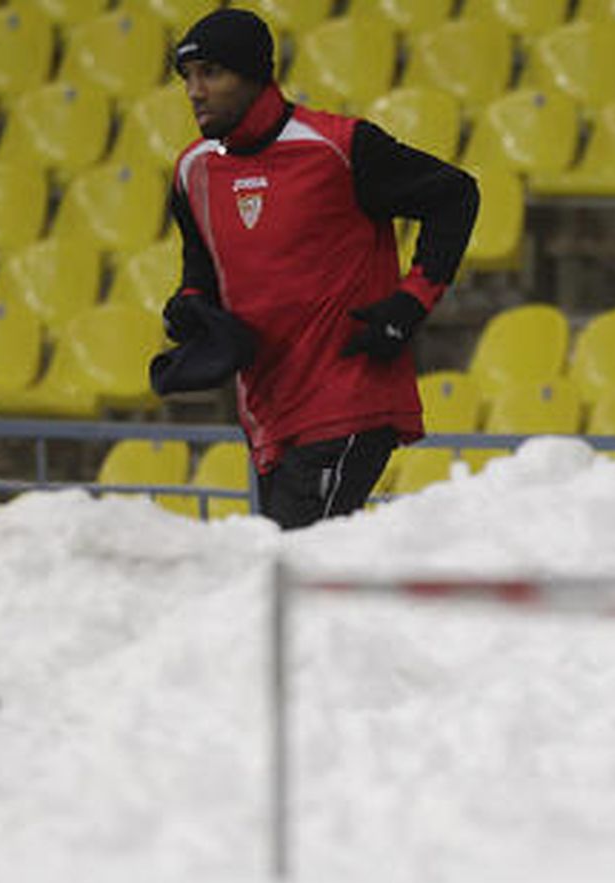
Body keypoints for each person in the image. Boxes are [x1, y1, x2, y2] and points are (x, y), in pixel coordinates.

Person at [152, 8, 479, 530]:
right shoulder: (193, 170)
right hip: (267, 410)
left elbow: (455, 196)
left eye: (211, 73)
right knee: (298, 575)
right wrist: (193, 301)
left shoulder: (340, 147)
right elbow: (201, 257)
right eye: (187, 76)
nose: (194, 91)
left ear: (255, 75)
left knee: (294, 567)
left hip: (347, 398)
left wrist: (411, 302)